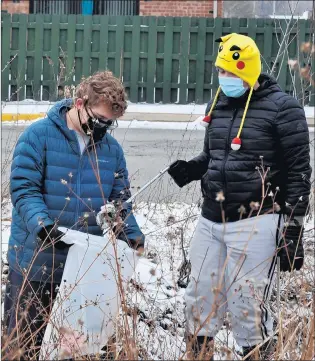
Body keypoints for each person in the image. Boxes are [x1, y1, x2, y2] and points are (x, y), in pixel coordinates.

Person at [168, 33, 311, 360]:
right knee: (199, 298)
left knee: (248, 304)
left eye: (232, 72)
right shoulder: (216, 102)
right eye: (221, 71)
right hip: (210, 219)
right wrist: (192, 169)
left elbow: (299, 175)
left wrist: (293, 230)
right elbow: (213, 156)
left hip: (257, 220)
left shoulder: (284, 109)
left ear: (249, 72)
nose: (225, 78)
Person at [3, 71, 144, 359]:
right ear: (79, 104)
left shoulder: (111, 150)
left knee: (74, 349)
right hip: (35, 262)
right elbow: (24, 189)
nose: (103, 128)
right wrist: (43, 225)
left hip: (82, 270)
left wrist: (130, 234)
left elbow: (119, 200)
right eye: (98, 120)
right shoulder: (38, 136)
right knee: (21, 348)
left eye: (110, 123)